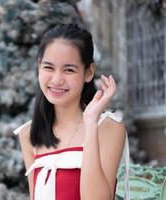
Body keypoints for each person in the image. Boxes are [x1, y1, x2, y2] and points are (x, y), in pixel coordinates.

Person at [13, 24, 130, 200]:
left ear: (88, 72)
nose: (57, 79)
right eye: (49, 67)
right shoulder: (29, 134)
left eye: (69, 69)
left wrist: (91, 123)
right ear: (39, 67)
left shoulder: (108, 128)